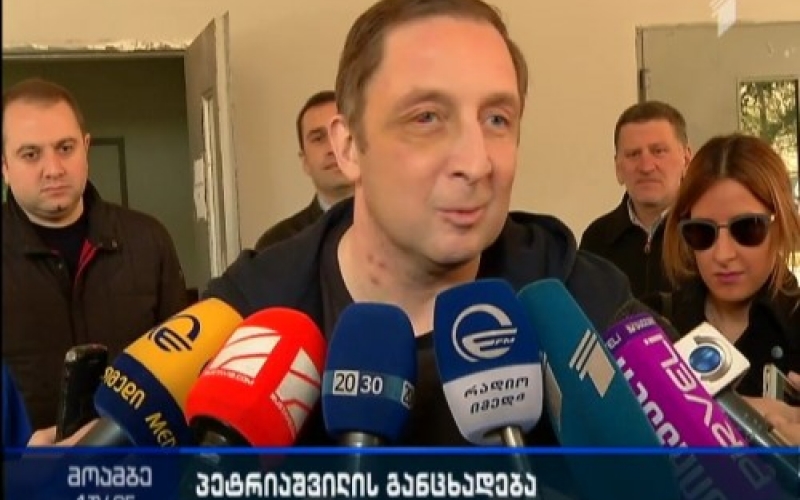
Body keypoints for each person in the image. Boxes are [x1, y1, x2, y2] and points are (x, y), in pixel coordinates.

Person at [204, 0, 631, 447]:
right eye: (427, 118)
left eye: (497, 119)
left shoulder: (584, 304)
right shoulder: (250, 317)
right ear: (348, 147)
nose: (476, 163)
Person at [2, 78, 189, 429]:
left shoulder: (148, 241)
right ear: (4, 165)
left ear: (86, 147)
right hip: (28, 463)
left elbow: (183, 367)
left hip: (137, 457)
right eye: (31, 154)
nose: (54, 169)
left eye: (65, 148)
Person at [643, 133, 800, 403]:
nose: (723, 254)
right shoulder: (652, 327)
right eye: (702, 232)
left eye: (748, 228)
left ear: (781, 225)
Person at [580, 101, 692, 297]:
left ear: (686, 159)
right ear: (618, 168)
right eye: (633, 154)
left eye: (658, 151)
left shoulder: (706, 234)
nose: (646, 167)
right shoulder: (596, 240)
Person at [254, 91, 354, 250]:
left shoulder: (395, 226)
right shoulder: (277, 244)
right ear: (305, 161)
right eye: (318, 138)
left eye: (341, 133)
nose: (333, 148)